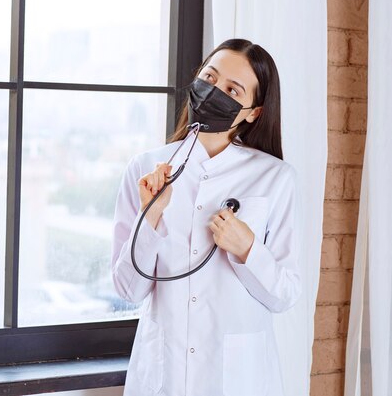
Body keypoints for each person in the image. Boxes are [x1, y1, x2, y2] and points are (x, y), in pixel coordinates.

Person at [111, 38, 301, 396]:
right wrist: (152, 216)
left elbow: (285, 295)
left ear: (253, 111)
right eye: (210, 78)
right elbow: (128, 290)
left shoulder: (276, 178)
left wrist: (247, 249)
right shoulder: (146, 168)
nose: (214, 92)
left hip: (238, 380)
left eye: (232, 89)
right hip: (163, 374)